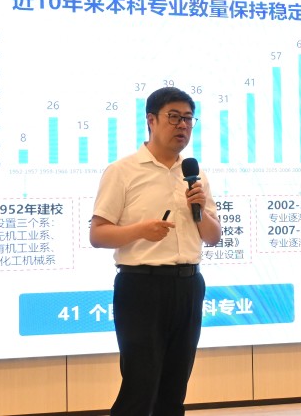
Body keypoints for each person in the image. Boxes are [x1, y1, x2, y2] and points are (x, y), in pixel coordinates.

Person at [90, 86, 221, 416]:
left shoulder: (195, 174)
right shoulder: (123, 171)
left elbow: (213, 237)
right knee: (140, 384)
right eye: (174, 117)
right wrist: (140, 231)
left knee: (174, 387)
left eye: (188, 119)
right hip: (141, 286)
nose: (182, 125)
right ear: (151, 120)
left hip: (189, 285)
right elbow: (98, 234)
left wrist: (200, 210)